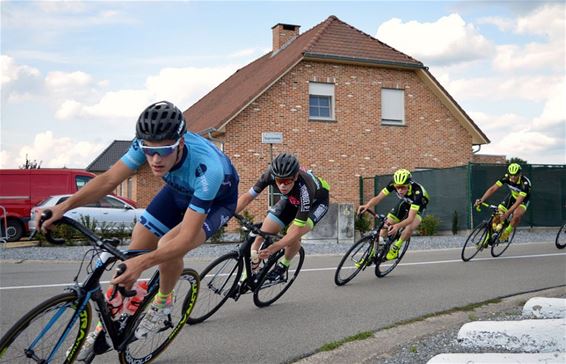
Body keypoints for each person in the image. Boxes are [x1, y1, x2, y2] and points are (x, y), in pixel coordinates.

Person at [37, 101, 239, 356]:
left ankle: (163, 304)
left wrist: (143, 264)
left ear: (181, 143)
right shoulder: (148, 146)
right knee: (135, 249)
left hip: (216, 202)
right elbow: (109, 179)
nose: (155, 159)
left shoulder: (207, 169)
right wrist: (63, 207)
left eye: (164, 150)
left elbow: (187, 236)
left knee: (169, 245)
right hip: (177, 191)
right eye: (148, 151)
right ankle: (113, 317)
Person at [235, 153, 330, 280]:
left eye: (287, 181)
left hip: (316, 204)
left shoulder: (305, 190)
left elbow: (296, 231)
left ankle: (283, 265)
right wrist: (227, 214)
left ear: (295, 176)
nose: (282, 186)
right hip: (291, 200)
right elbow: (248, 197)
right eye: (279, 181)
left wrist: (275, 247)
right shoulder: (270, 174)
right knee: (262, 233)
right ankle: (251, 270)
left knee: (292, 234)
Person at [358, 169, 430, 261]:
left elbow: (411, 218)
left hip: (419, 206)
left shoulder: (417, 193)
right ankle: (371, 254)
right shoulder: (393, 184)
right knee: (385, 226)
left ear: (409, 184)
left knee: (410, 226)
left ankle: (396, 247)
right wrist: (367, 205)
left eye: (403, 187)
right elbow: (379, 197)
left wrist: (397, 226)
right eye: (397, 187)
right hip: (405, 202)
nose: (399, 190)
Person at [474, 163, 531, 242]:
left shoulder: (525, 183)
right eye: (511, 174)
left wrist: (507, 213)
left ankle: (507, 232)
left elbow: (519, 201)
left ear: (520, 174)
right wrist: (481, 200)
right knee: (497, 215)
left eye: (515, 175)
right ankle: (489, 236)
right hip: (512, 197)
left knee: (516, 215)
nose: (513, 177)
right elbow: (493, 188)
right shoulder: (506, 177)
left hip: (522, 200)